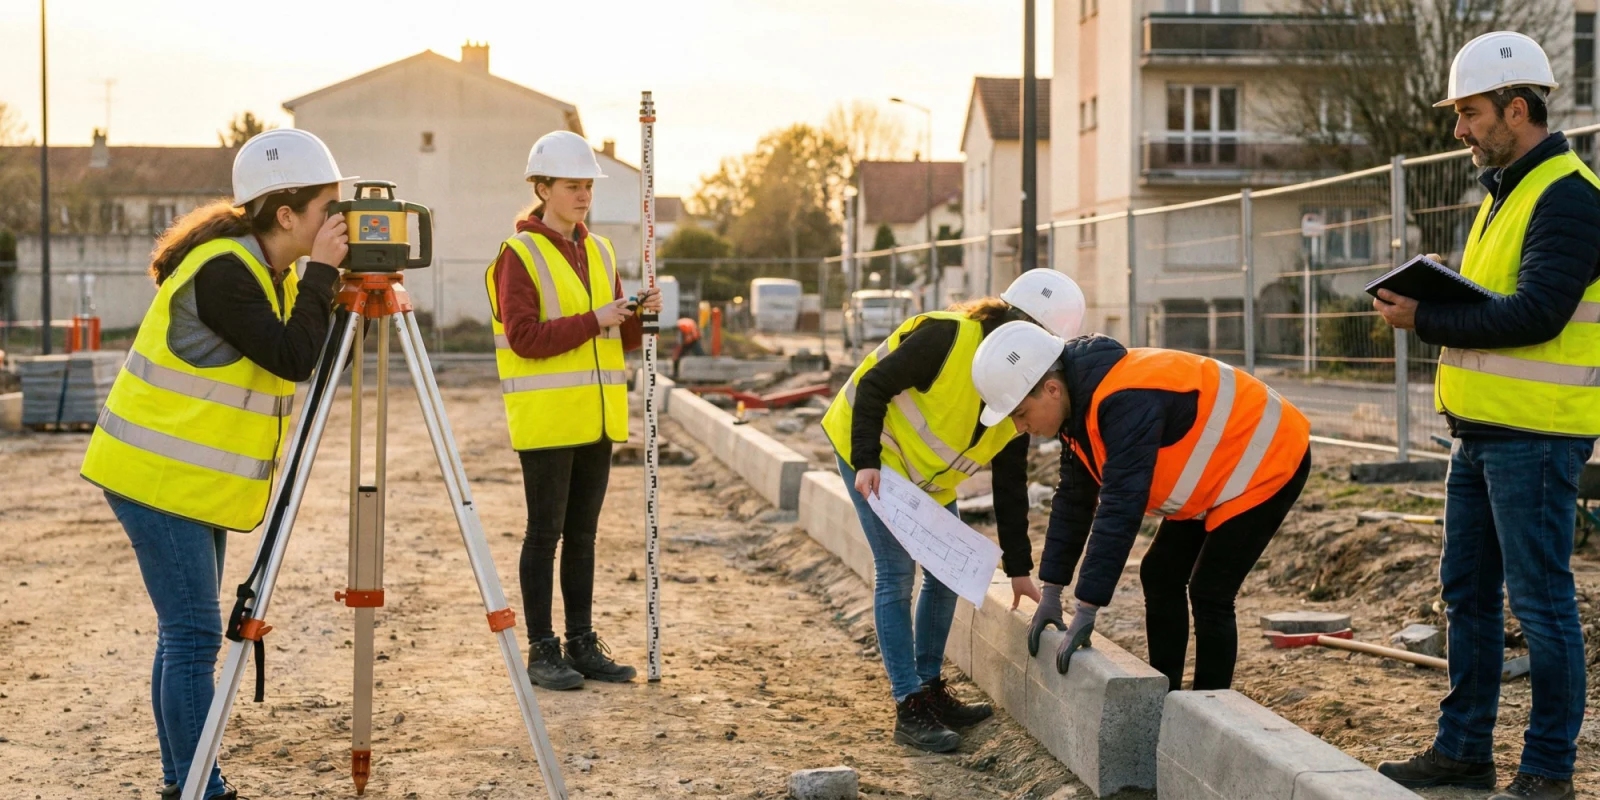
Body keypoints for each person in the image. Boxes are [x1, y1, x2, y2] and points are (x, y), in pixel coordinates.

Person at [79, 128, 356, 800]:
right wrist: (323, 275)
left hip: (186, 480)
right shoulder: (228, 273)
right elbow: (292, 359)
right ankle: (204, 788)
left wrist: (328, 287)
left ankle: (183, 780)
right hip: (154, 477)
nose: (339, 224)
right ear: (285, 214)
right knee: (195, 635)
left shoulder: (268, 271)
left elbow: (308, 355)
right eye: (328, 209)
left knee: (183, 637)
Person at [1372, 32, 1600, 800]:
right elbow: (1500, 305)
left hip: (1535, 438)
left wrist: (1423, 319)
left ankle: (1546, 773)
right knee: (1467, 597)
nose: (1460, 130)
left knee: (1541, 605)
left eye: (1469, 113)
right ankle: (1464, 749)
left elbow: (1535, 315)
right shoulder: (1506, 192)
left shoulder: (1569, 195)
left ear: (1517, 106)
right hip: (1479, 436)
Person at [820, 268, 1086, 753]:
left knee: (946, 572)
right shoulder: (947, 338)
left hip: (927, 477)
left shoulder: (1016, 385)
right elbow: (874, 386)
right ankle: (908, 704)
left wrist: (1020, 569)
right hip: (873, 454)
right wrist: (864, 462)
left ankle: (929, 688)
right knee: (896, 572)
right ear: (1019, 326)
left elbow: (1010, 484)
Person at [970, 322, 1310, 695]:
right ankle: (1163, 694)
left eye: (1021, 413)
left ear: (1051, 388)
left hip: (1268, 457)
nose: (1021, 427)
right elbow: (1073, 502)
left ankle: (1209, 708)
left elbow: (1119, 506)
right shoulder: (1077, 407)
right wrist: (1053, 591)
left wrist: (1087, 608)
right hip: (1220, 467)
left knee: (1210, 591)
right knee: (1160, 573)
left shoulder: (1125, 400)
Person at [485, 130, 662, 690]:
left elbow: (612, 339)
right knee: (545, 534)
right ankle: (543, 650)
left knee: (583, 536)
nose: (584, 194)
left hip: (597, 418)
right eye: (572, 186)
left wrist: (638, 316)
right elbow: (524, 337)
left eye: (588, 185)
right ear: (542, 189)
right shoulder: (518, 254)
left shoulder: (600, 249)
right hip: (546, 422)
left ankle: (582, 643)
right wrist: (599, 318)